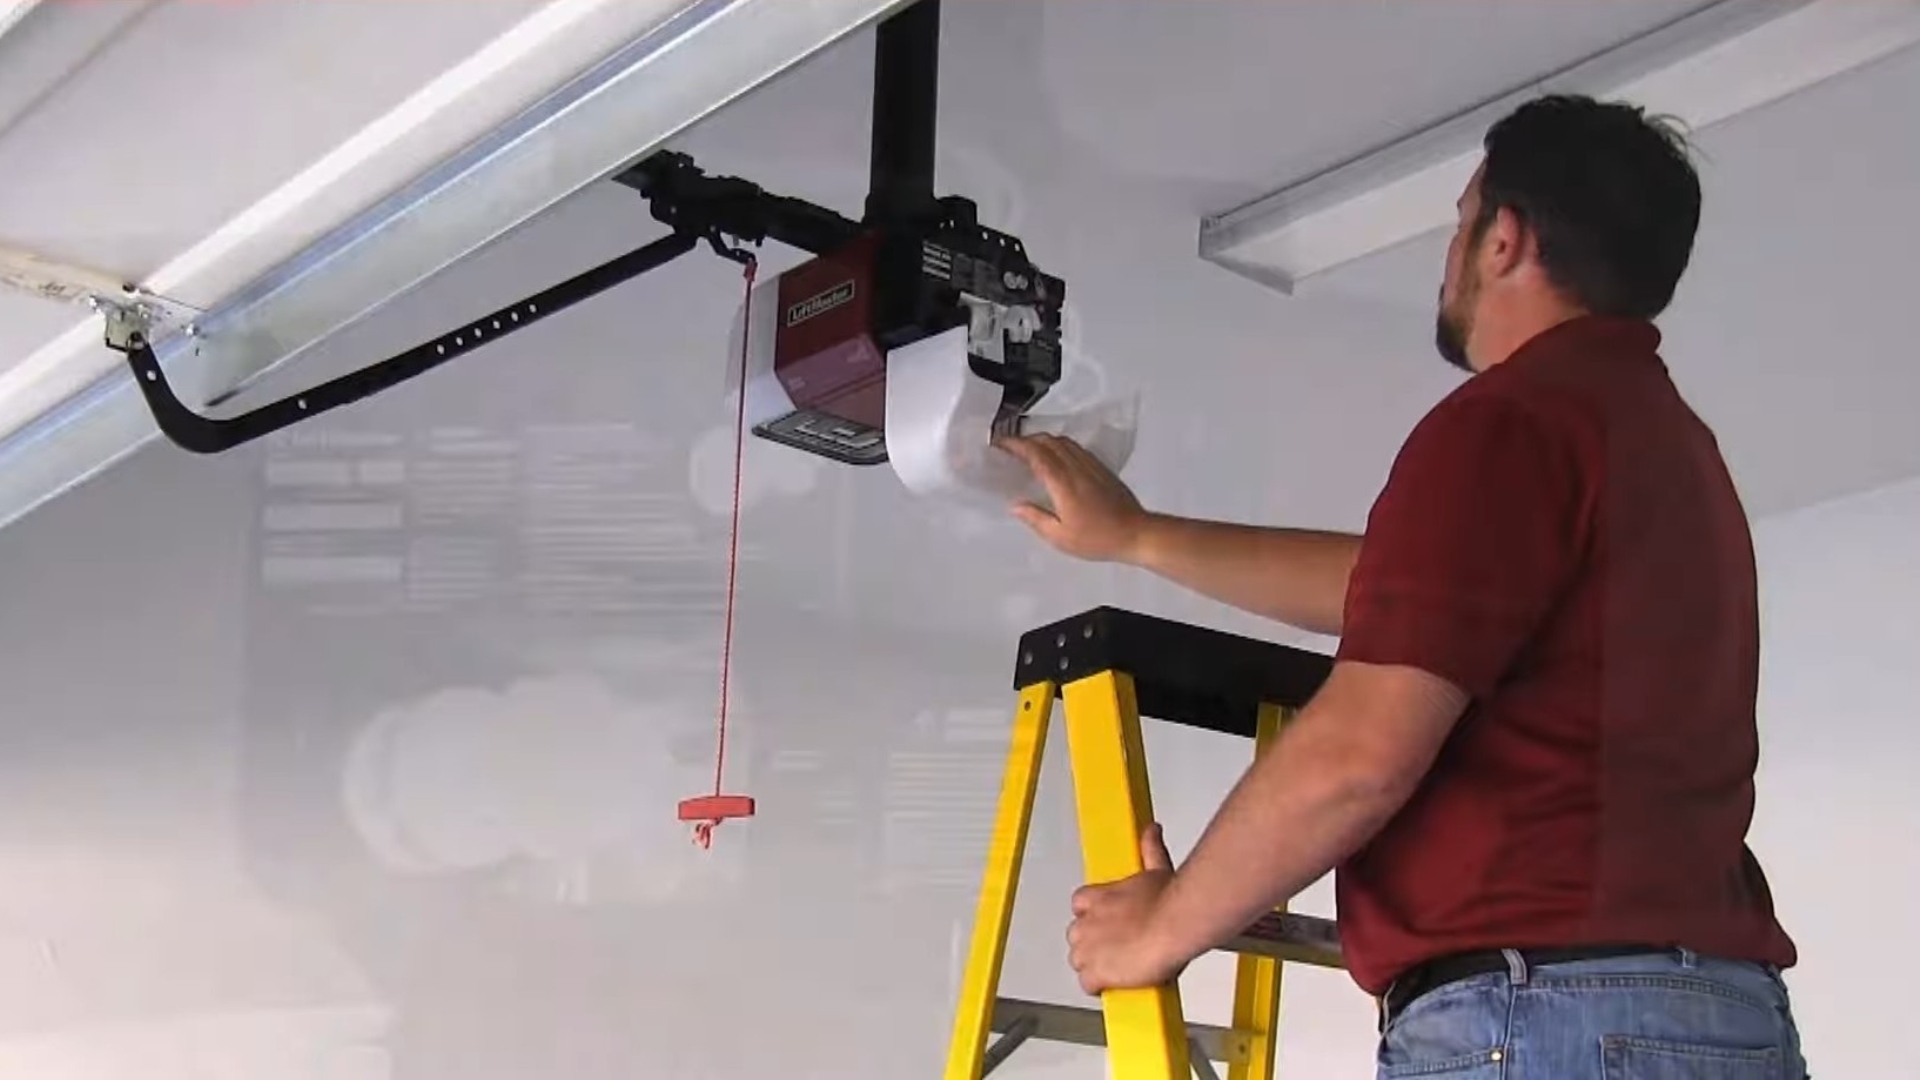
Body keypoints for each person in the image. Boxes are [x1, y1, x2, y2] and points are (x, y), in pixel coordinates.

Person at [997, 94, 1808, 1078]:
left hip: (1548, 1017)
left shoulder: (1507, 423)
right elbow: (1401, 589)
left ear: (1502, 239)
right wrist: (1138, 537)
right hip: (1719, 1020)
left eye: (1460, 221)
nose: (1450, 251)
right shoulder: (1666, 451)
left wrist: (1164, 924)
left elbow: (1361, 752)